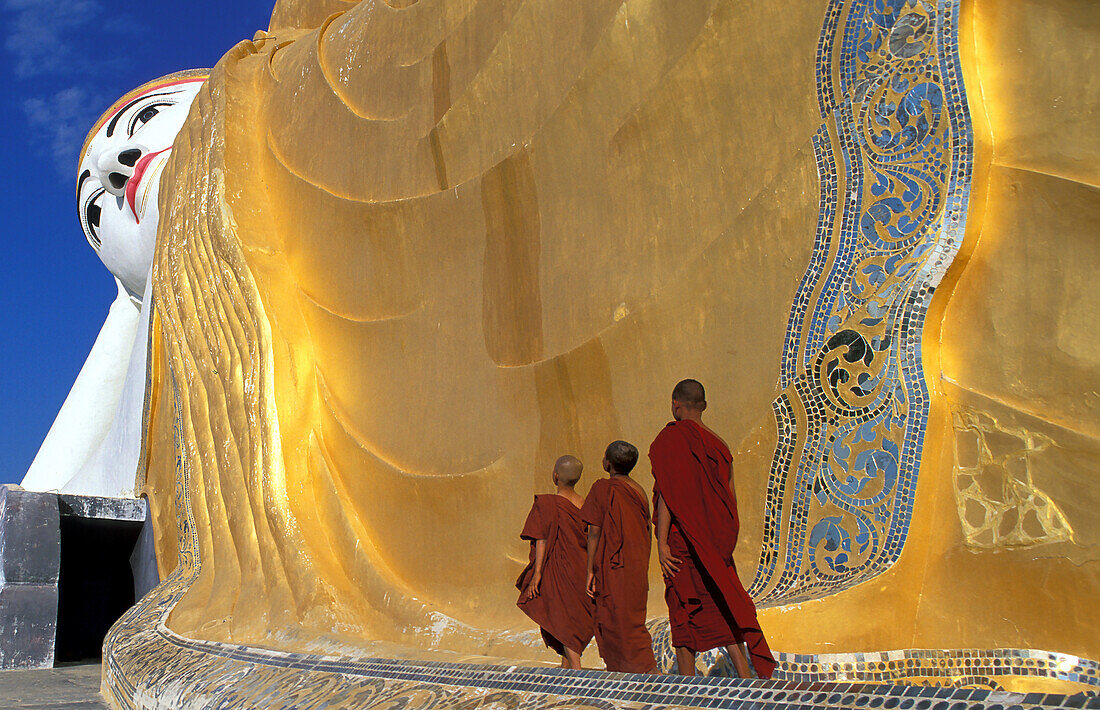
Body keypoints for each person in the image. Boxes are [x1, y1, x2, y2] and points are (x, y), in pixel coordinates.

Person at [649, 379, 777, 679]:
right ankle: (746, 677)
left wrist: (662, 543)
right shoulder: (719, 445)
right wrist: (723, 543)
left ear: (674, 404)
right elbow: (729, 499)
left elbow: (670, 493)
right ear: (704, 406)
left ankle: (687, 686)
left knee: (684, 611)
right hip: (715, 541)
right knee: (722, 604)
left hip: (683, 542)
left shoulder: (672, 439)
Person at [581, 441, 658, 674]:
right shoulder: (638, 490)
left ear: (608, 463)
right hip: (636, 564)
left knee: (616, 618)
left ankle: (646, 670)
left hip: (614, 567)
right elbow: (646, 529)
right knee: (631, 618)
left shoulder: (602, 489)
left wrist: (590, 570)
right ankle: (629, 670)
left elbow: (594, 531)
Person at [516, 455, 594, 669]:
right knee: (568, 616)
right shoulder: (587, 504)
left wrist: (537, 574)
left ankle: (576, 670)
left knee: (562, 617)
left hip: (558, 569)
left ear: (555, 476)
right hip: (582, 567)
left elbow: (542, 538)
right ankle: (566, 669)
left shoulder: (547, 504)